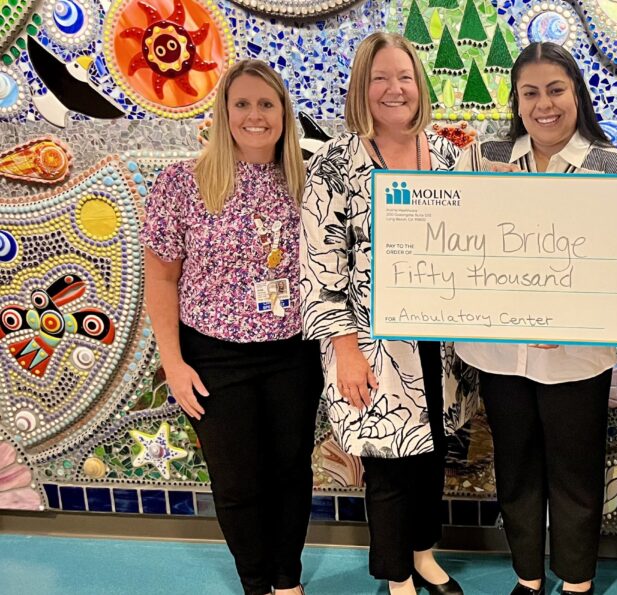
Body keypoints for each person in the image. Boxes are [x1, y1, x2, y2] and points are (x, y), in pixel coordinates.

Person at [453, 42, 617, 595]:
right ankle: (528, 579)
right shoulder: (482, 158)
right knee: (515, 471)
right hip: (498, 352)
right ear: (516, 100)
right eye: (530, 92)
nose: (544, 105)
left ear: (577, 95)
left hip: (577, 356)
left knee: (574, 472)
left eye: (556, 90)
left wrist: (583, 315)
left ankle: (577, 581)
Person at [299, 32, 470, 595]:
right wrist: (344, 349)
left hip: (440, 343)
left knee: (430, 457)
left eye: (404, 77)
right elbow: (321, 267)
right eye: (380, 79)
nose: (394, 89)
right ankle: (396, 574)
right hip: (369, 344)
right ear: (361, 90)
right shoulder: (334, 165)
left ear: (419, 85)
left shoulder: (449, 157)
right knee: (389, 465)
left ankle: (424, 553)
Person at [141, 59, 320, 595]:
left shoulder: (308, 181)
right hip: (213, 355)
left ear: (285, 113)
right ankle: (255, 582)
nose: (255, 115)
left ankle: (287, 581)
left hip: (293, 352)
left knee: (291, 473)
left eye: (267, 104)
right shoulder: (182, 183)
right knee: (238, 481)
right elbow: (162, 281)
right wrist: (173, 364)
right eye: (241, 103)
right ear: (223, 112)